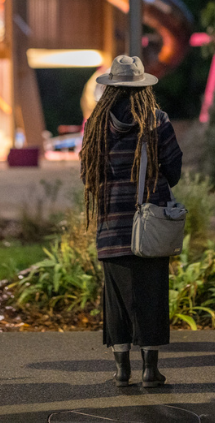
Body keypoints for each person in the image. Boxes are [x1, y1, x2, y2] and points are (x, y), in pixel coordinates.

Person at [80, 55, 183, 388]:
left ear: (111, 87)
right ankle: (150, 370)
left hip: (111, 227)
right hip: (148, 227)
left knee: (117, 301)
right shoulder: (156, 121)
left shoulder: (95, 125)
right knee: (151, 297)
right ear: (142, 87)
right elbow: (174, 170)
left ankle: (122, 369)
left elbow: (87, 175)